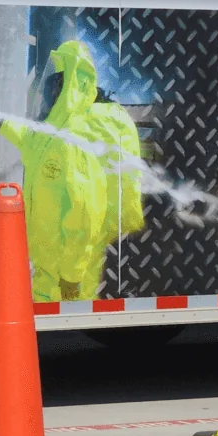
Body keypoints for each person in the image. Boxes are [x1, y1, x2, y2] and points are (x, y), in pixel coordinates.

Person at [0, 40, 108, 302]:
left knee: (59, 322)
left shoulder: (76, 140)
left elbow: (84, 215)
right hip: (46, 270)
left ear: (68, 86)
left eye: (55, 82)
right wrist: (2, 123)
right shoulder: (54, 133)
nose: (47, 90)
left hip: (62, 280)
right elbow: (31, 143)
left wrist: (72, 274)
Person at [81, 89, 146, 298]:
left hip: (97, 208)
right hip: (126, 206)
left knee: (91, 268)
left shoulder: (85, 118)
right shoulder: (121, 116)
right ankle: (124, 293)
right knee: (120, 261)